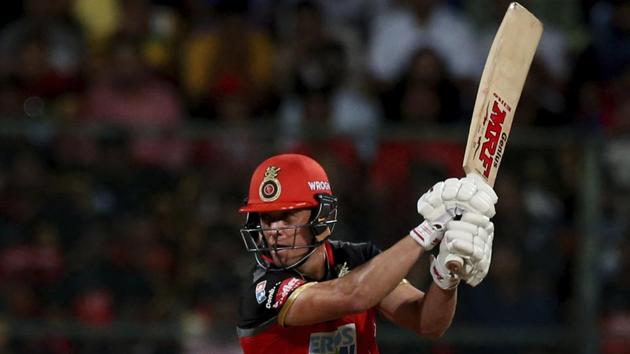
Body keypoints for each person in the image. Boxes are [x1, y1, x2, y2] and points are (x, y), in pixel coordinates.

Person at [236, 153, 497, 353]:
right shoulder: (262, 289)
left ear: (320, 215)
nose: (274, 230)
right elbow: (353, 295)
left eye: (286, 216)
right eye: (267, 219)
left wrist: (446, 276)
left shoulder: (359, 260)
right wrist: (432, 228)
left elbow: (428, 323)